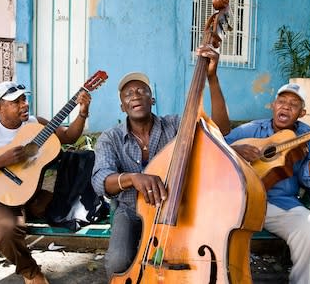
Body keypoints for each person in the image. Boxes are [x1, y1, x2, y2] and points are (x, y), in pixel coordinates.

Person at [91, 45, 230, 279]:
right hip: (131, 210)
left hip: (175, 208)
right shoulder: (110, 137)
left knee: (189, 263)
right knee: (117, 261)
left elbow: (221, 129)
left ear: (152, 99)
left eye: (141, 91)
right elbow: (100, 180)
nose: (135, 95)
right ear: (122, 107)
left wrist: (212, 79)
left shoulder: (177, 125)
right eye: (128, 94)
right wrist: (133, 178)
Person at [0, 81, 91, 284]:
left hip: (31, 194)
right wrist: (1, 160)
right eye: (15, 102)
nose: (24, 104)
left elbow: (69, 137)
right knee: (5, 232)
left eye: (24, 99)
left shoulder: (36, 124)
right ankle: (31, 273)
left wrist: (83, 113)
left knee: (80, 210)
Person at [225, 83, 310, 284]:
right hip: (240, 199)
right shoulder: (252, 129)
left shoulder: (309, 136)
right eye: (282, 101)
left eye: (293, 104)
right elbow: (217, 145)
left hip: (279, 204)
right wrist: (236, 151)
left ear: (302, 113)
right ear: (273, 105)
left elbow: (308, 179)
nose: (285, 107)